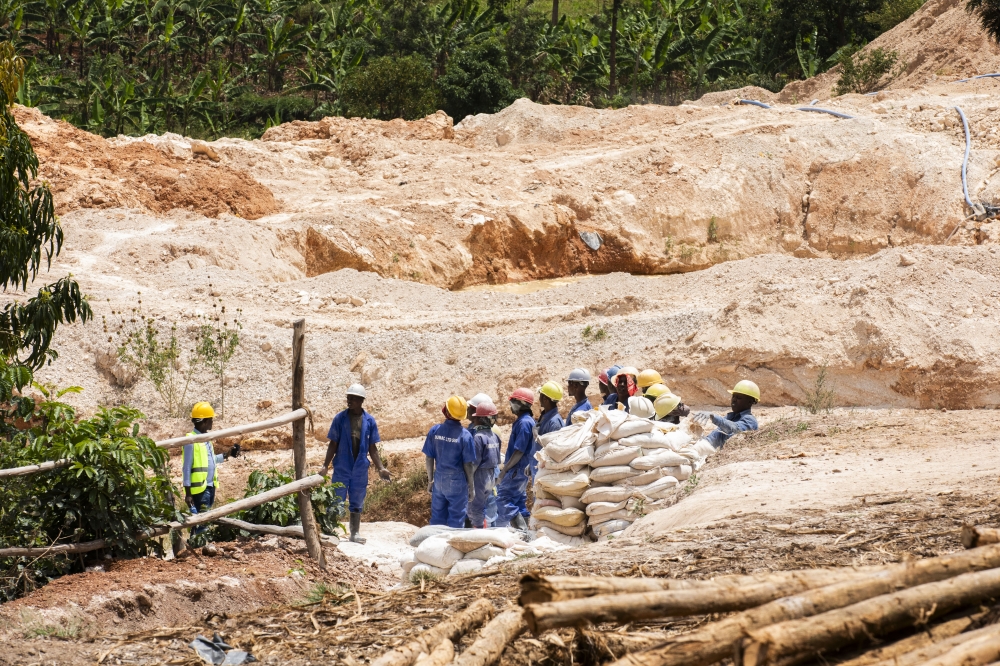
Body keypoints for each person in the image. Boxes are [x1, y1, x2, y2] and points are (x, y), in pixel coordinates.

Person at [321, 384, 391, 544]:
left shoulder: (369, 421)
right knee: (336, 498)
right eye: (348, 398)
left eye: (352, 398)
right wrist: (325, 465)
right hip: (342, 466)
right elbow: (333, 444)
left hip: (359, 467)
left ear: (361, 400)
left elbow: (372, 448)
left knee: (357, 500)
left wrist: (380, 468)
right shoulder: (340, 419)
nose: (349, 401)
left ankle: (354, 533)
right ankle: (328, 531)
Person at [183, 402, 241, 531]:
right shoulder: (190, 440)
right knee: (201, 523)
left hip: (209, 486)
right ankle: (198, 547)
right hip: (199, 489)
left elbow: (210, 460)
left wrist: (227, 455)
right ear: (204, 421)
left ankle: (198, 546)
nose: (212, 422)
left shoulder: (206, 439)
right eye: (211, 419)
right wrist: (188, 494)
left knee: (203, 521)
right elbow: (186, 467)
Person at [423, 395, 477, 528]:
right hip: (457, 482)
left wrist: (430, 481)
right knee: (456, 518)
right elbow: (468, 464)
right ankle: (452, 546)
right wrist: (471, 486)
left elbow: (429, 457)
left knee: (437, 517)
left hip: (439, 479)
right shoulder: (465, 435)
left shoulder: (435, 430)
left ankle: (435, 545)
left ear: (446, 410)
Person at [495, 388, 536, 529]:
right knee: (518, 501)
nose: (510, 405)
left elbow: (519, 451)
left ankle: (522, 530)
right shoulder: (526, 421)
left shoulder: (524, 423)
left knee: (503, 499)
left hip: (516, 469)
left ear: (521, 403)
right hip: (521, 469)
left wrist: (505, 469)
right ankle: (526, 534)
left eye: (513, 402)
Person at [693, 380, 760, 449]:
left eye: (739, 397)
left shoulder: (750, 420)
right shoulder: (730, 417)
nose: (734, 399)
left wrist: (713, 416)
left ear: (750, 402)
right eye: (733, 396)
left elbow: (735, 429)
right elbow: (715, 437)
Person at [467, 401, 502, 528]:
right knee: (485, 507)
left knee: (475, 508)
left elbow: (474, 463)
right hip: (491, 476)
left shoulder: (478, 437)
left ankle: (480, 534)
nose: (473, 419)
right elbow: (497, 460)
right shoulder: (495, 436)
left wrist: (469, 481)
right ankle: (487, 530)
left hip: (480, 477)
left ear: (481, 419)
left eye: (475, 417)